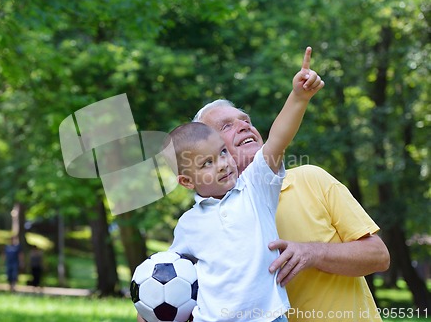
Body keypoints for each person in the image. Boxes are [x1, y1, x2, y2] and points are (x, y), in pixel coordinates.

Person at [137, 47, 324, 322]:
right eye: (207, 163)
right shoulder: (188, 225)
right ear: (187, 181)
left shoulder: (255, 189)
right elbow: (167, 275)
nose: (223, 164)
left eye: (222, 153)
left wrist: (299, 97)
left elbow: (278, 138)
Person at [193, 101, 390, 318]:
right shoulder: (202, 224)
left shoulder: (311, 178)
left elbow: (379, 256)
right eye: (226, 126)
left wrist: (313, 253)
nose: (244, 126)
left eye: (246, 120)